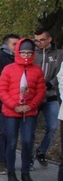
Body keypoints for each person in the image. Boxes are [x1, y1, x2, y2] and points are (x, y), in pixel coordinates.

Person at [0, 38, 46, 181]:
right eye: (23, 52)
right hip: (12, 112)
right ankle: (11, 172)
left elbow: (40, 91)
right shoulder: (9, 69)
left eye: (29, 53)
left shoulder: (37, 70)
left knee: (27, 141)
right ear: (18, 52)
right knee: (11, 142)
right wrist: (14, 105)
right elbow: (2, 89)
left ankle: (26, 172)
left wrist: (31, 106)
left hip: (29, 112)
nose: (26, 55)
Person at [0, 34, 20, 174]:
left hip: (16, 104)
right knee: (2, 132)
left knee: (12, 133)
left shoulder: (19, 60)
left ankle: (9, 160)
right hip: (0, 103)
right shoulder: (0, 60)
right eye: (14, 44)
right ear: (6, 45)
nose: (17, 47)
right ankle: (0, 161)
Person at [32, 29, 63, 168]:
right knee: (30, 127)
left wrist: (51, 84)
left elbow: (60, 74)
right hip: (34, 96)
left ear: (49, 39)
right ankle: (28, 157)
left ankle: (42, 150)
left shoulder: (59, 54)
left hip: (51, 96)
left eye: (42, 40)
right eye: (36, 40)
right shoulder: (33, 54)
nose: (39, 43)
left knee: (52, 126)